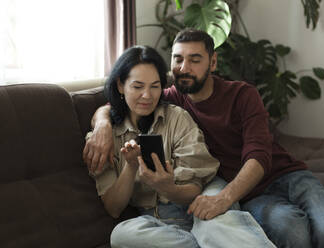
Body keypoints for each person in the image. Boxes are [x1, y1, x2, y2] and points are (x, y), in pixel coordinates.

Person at [84, 30, 324, 247]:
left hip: (283, 175)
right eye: (178, 59)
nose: (184, 67)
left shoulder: (241, 95)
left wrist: (224, 198)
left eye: (195, 59)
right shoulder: (166, 99)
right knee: (291, 229)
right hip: (250, 194)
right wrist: (102, 126)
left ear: (212, 62)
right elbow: (121, 106)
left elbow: (258, 155)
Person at [87, 45, 275, 248]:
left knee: (213, 223)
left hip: (200, 195)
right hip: (159, 222)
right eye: (138, 86)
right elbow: (114, 209)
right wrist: (130, 166)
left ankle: (210, 236)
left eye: (155, 86)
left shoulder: (177, 117)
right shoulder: (103, 139)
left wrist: (167, 188)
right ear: (121, 85)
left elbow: (195, 188)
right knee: (121, 235)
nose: (147, 96)